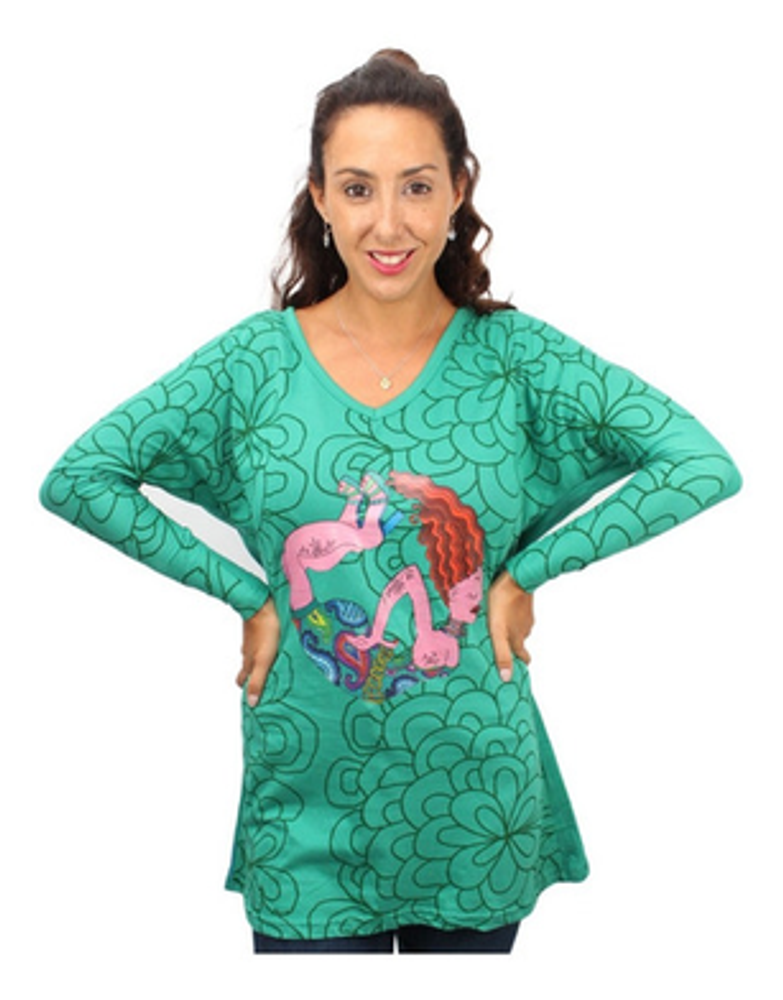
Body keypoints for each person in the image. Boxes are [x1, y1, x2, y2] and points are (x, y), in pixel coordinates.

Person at [39, 49, 742, 954]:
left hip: (474, 798)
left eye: (415, 186)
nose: (388, 222)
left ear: (457, 192)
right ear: (320, 198)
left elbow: (698, 463)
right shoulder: (251, 363)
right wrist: (248, 596)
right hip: (307, 804)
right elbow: (81, 478)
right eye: (357, 188)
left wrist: (528, 572)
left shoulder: (517, 359)